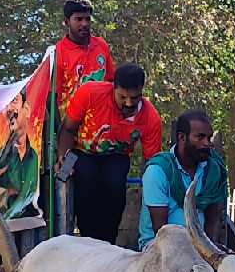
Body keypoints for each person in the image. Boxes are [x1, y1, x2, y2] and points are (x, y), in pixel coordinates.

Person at [58, 63, 162, 244]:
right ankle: (88, 239)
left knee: (115, 182)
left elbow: (152, 161)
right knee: (87, 178)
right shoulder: (90, 93)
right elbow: (67, 129)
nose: (128, 103)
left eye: (135, 98)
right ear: (113, 87)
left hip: (117, 155)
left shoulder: (151, 118)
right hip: (82, 151)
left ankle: (108, 240)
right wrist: (63, 159)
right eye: (123, 97)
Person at [138, 109, 228, 250]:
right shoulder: (158, 171)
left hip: (201, 246)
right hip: (159, 245)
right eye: (200, 137)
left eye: (209, 137)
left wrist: (213, 250)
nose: (206, 143)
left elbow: (214, 216)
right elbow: (162, 232)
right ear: (182, 138)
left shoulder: (213, 170)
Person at [0, 84, 39, 219]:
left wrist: (3, 222)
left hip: (21, 220)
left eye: (13, 101)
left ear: (26, 109)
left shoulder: (33, 155)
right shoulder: (3, 153)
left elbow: (26, 195)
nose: (9, 109)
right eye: (5, 105)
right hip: (2, 222)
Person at [54, 0, 114, 113]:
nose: (84, 24)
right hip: (71, 123)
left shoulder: (101, 44)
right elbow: (51, 97)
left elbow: (112, 81)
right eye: (79, 19)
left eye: (87, 19)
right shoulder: (58, 52)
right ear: (66, 22)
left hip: (102, 118)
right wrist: (61, 129)